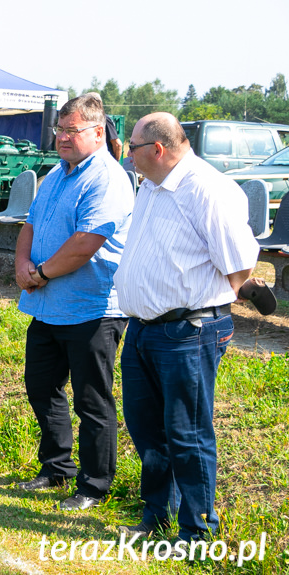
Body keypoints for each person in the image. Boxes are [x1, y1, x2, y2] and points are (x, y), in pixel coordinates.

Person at [115, 112, 260, 541]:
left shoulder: (208, 190)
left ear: (157, 149)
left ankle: (197, 532)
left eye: (134, 149)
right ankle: (157, 515)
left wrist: (207, 307)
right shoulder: (152, 185)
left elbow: (239, 264)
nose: (128, 156)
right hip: (143, 329)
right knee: (147, 430)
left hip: (188, 331)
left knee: (188, 434)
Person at [13, 93, 133, 510]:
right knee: (41, 388)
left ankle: (94, 485)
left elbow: (86, 243)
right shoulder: (57, 173)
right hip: (48, 307)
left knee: (92, 399)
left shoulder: (107, 178)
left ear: (98, 133)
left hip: (92, 309)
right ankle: (55, 469)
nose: (62, 137)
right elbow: (29, 224)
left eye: (72, 130)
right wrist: (23, 263)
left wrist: (40, 273)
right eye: (59, 130)